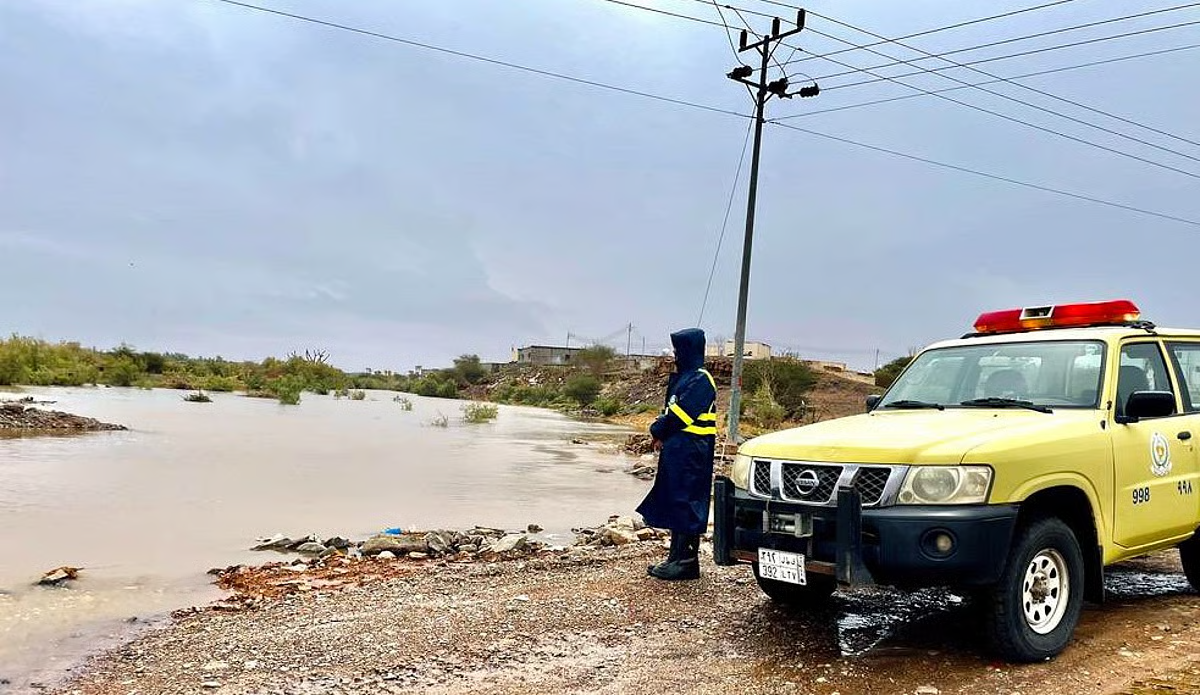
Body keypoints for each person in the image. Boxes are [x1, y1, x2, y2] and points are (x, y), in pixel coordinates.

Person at [637, 328, 718, 581]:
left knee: (686, 502)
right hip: (680, 450)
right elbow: (672, 413)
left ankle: (686, 562)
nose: (674, 355)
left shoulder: (701, 379)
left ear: (688, 351)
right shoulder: (686, 377)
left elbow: (681, 414)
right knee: (675, 499)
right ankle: (675, 558)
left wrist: (657, 429)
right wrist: (663, 434)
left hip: (693, 451)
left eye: (677, 350)